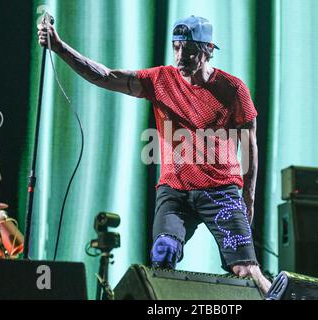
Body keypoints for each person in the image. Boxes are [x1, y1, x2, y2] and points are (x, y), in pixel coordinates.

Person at [38, 15, 272, 295]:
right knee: (164, 252)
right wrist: (59, 46)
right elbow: (105, 76)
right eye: (176, 47)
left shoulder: (233, 89)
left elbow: (250, 146)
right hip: (175, 190)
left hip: (221, 191)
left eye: (190, 49)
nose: (180, 55)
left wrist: (249, 197)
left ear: (208, 50)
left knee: (247, 269)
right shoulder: (160, 79)